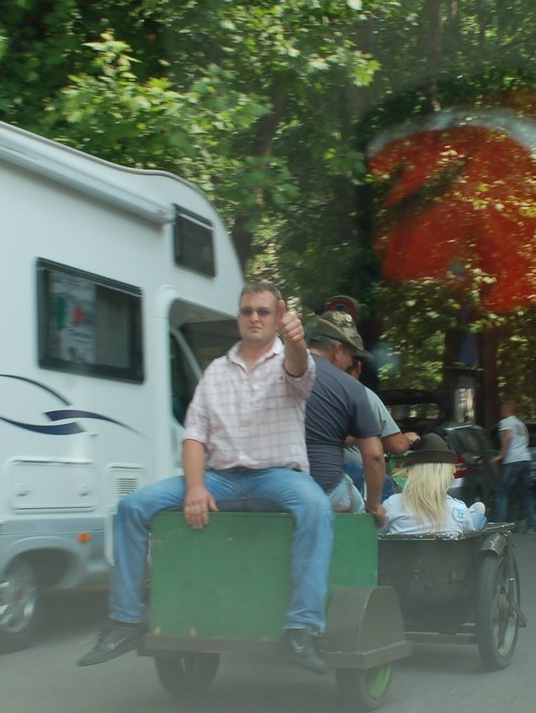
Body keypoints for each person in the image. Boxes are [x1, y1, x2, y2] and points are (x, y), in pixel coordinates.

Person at [78, 282, 335, 673]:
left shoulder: (289, 360)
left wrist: (296, 340)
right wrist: (195, 487)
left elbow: (299, 369)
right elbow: (195, 435)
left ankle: (302, 629)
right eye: (248, 310)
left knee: (316, 505)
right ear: (238, 316)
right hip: (222, 480)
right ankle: (126, 619)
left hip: (277, 476)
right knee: (132, 506)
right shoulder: (216, 371)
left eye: (264, 312)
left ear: (278, 316)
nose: (254, 318)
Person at [302, 310, 388, 525]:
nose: (351, 365)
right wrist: (374, 506)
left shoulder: (278, 371)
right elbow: (375, 455)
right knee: (367, 519)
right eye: (351, 357)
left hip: (281, 488)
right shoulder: (350, 387)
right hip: (327, 489)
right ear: (337, 350)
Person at [379, 434, 487, 537]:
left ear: (412, 471)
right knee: (477, 518)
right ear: (446, 474)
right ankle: (473, 513)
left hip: (402, 556)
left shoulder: (391, 505)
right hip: (448, 555)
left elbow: (378, 533)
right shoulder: (458, 508)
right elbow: (470, 535)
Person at [342, 355, 417, 499]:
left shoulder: (311, 389)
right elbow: (398, 446)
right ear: (358, 367)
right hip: (357, 480)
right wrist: (409, 438)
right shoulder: (363, 395)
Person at [495, 400, 536, 533]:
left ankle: (500, 527)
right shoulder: (520, 424)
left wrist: (501, 455)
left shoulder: (506, 422)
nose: (500, 411)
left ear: (507, 410)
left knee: (503, 493)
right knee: (527, 493)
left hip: (513, 460)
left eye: (502, 409)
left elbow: (508, 438)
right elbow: (525, 441)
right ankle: (530, 525)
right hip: (525, 459)